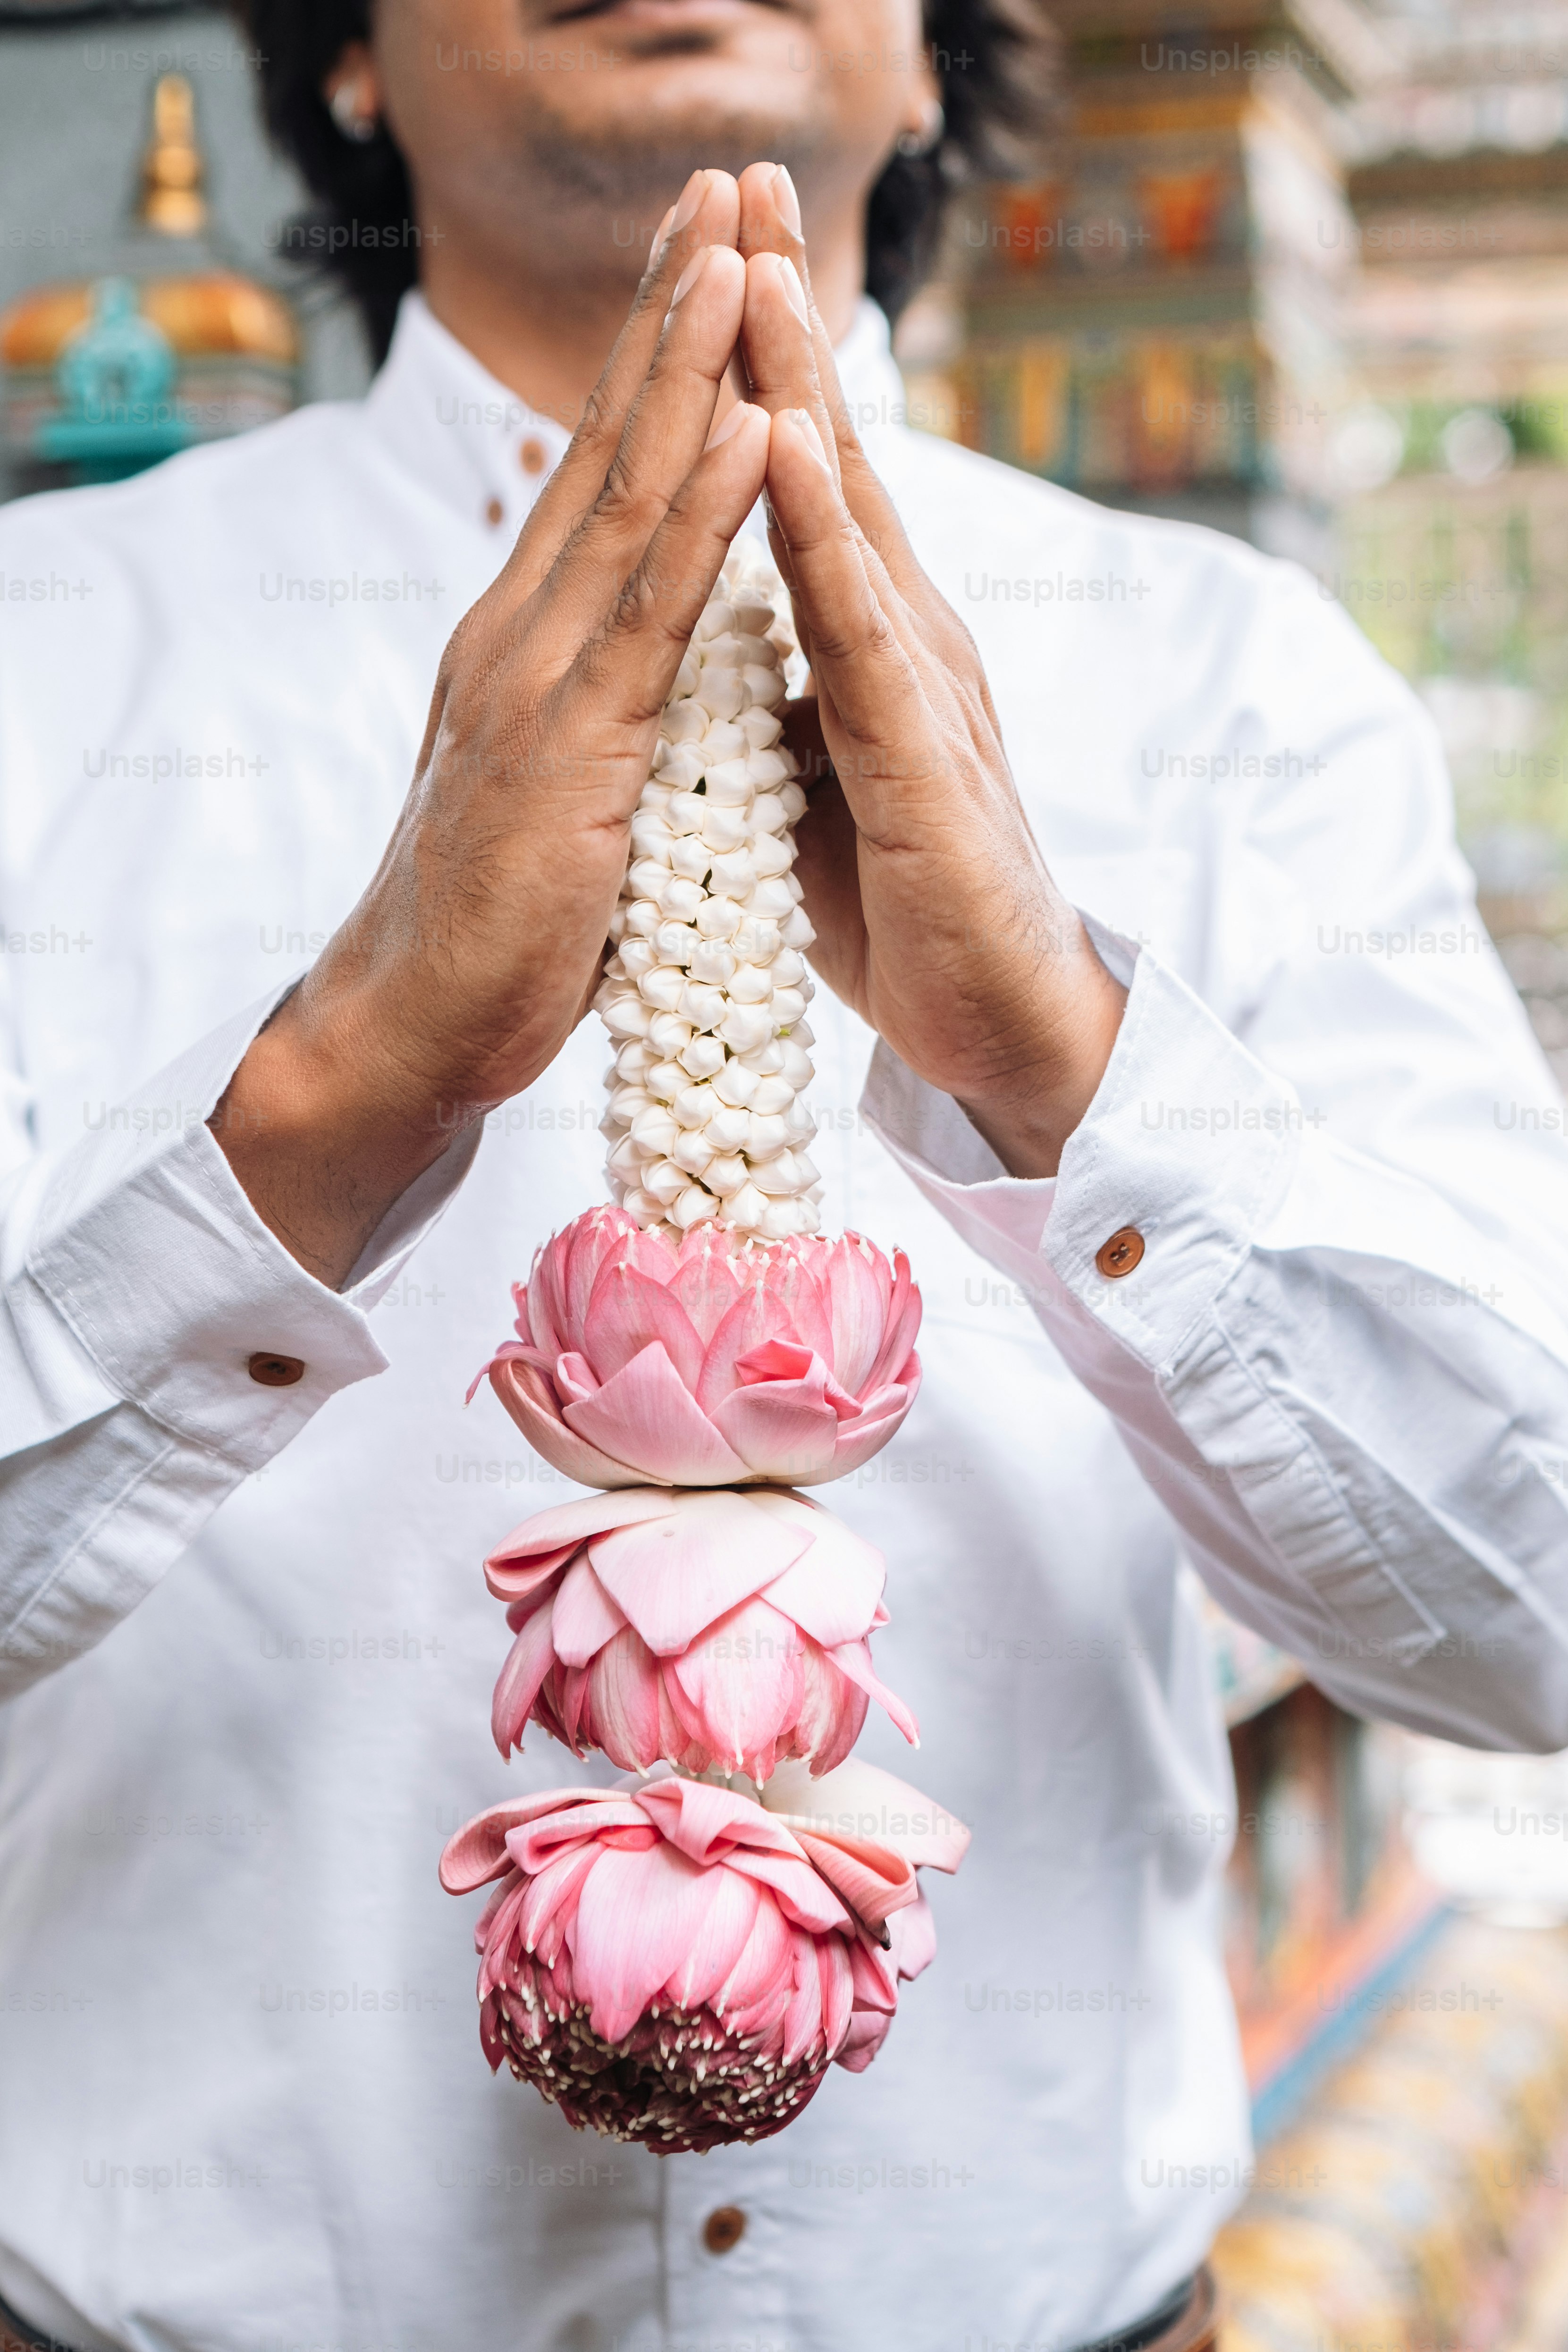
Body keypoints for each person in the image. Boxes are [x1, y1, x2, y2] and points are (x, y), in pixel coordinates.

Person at [2, 0, 1567, 2345]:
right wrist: (325, 1107)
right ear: (342, 59)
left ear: (938, 66)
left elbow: (1531, 1616)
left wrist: (1061, 1055)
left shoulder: (1244, 688)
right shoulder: (44, 665)